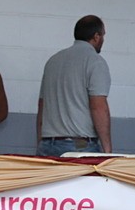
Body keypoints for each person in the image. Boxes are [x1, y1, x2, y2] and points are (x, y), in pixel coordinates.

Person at [36, 15, 111, 156]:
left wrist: (40, 142)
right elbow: (98, 107)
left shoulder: (53, 61)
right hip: (79, 146)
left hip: (47, 144)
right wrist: (107, 149)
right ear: (96, 36)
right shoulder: (95, 62)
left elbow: (42, 105)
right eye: (103, 35)